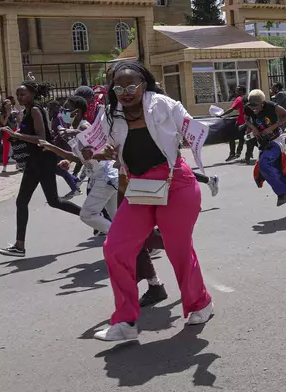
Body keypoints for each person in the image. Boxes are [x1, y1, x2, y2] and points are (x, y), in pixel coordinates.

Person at [92, 61, 212, 341]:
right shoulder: (109, 114)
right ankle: (125, 322)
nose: (125, 92)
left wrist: (201, 134)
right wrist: (100, 151)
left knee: (178, 249)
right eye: (119, 87)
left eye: (131, 86)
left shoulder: (164, 105)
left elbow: (191, 129)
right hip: (140, 187)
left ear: (144, 84)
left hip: (176, 184)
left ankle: (200, 303)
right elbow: (99, 148)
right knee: (115, 248)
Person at [39, 95, 169, 308]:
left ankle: (134, 240)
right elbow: (81, 158)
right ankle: (155, 264)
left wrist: (77, 134)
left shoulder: (84, 127)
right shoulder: (72, 130)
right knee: (127, 231)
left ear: (78, 110)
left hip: (106, 179)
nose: (62, 111)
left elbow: (98, 151)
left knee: (88, 215)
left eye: (67, 108)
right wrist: (54, 150)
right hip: (106, 180)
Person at [0, 81, 82, 257]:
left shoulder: (35, 110)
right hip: (34, 161)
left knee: (54, 201)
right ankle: (19, 246)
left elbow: (41, 138)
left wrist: (16, 134)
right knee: (22, 201)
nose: (20, 98)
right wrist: (17, 135)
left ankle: (94, 217)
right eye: (18, 95)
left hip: (43, 160)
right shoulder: (27, 111)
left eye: (23, 94)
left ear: (32, 95)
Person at [244, 89, 286, 217]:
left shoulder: (272, 106)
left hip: (275, 142)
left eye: (256, 107)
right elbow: (246, 119)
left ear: (262, 103)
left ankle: (282, 192)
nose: (254, 109)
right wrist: (254, 128)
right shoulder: (249, 108)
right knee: (279, 175)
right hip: (263, 144)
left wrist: (271, 128)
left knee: (264, 164)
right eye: (252, 106)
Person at [219, 85, 248, 161]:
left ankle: (232, 154)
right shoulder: (247, 97)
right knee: (242, 138)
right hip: (247, 121)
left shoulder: (239, 99)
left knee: (231, 137)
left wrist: (222, 115)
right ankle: (239, 153)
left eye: (237, 90)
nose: (236, 91)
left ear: (241, 91)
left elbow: (232, 109)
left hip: (240, 121)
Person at [0, 99, 18, 172]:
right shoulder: (2, 113)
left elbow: (18, 121)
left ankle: (18, 164)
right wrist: (7, 115)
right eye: (8, 104)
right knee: (6, 149)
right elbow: (3, 123)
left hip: (14, 131)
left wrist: (16, 115)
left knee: (16, 147)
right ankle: (4, 166)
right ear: (4, 106)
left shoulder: (14, 111)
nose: (10, 105)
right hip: (6, 131)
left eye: (10, 104)